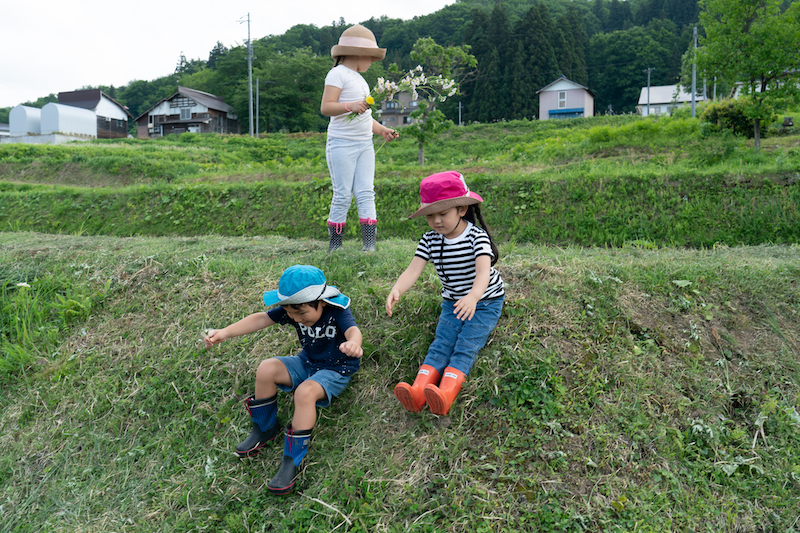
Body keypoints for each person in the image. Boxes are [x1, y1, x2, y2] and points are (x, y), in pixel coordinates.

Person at [204, 265, 363, 495]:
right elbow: (261, 319)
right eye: (291, 314)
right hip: (307, 362)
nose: (296, 318)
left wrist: (354, 344)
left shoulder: (336, 309)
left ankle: (292, 459)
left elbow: (353, 331)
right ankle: (265, 428)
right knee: (267, 368)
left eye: (301, 314)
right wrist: (225, 332)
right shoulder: (293, 310)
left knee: (305, 392)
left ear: (322, 302)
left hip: (336, 369)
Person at [385, 171, 505, 416]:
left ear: (461, 209)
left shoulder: (476, 237)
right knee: (441, 344)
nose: (436, 221)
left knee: (465, 345)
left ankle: (447, 393)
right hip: (452, 302)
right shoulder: (430, 240)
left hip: (485, 301)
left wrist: (473, 297)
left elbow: (483, 272)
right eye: (431, 215)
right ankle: (418, 391)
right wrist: (397, 288)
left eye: (443, 214)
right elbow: (413, 269)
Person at [320, 24, 399, 252]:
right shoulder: (336, 74)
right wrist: (350, 106)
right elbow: (327, 107)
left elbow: (365, 117)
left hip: (365, 143)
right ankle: (335, 246)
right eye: (371, 57)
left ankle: (369, 246)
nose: (372, 62)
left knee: (366, 191)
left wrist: (382, 130)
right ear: (358, 54)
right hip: (342, 143)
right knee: (343, 193)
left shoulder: (361, 80)